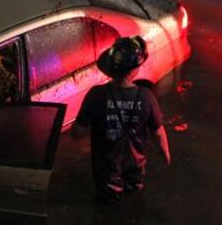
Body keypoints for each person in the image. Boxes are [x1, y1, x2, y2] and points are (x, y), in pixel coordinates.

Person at [73, 36, 171, 203]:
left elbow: (78, 132)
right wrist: (165, 153)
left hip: (106, 169)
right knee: (134, 203)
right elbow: (158, 132)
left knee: (107, 205)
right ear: (134, 70)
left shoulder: (96, 95)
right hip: (135, 167)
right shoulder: (146, 97)